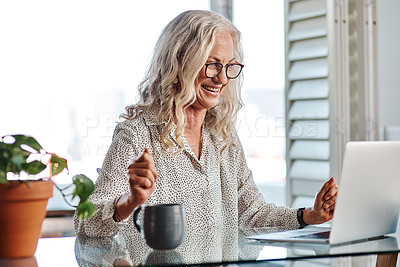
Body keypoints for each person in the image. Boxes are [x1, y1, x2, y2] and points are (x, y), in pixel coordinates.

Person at [74, 10, 338, 240]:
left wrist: (310, 215)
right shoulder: (137, 134)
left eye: (230, 66)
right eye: (212, 65)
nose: (222, 78)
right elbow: (85, 224)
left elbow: (251, 214)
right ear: (180, 62)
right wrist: (129, 202)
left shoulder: (223, 135)